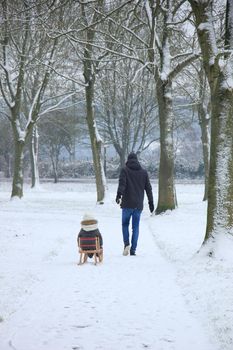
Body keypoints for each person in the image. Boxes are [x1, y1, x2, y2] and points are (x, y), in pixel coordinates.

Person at [116, 152, 154, 256]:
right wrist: (151, 203)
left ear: (128, 160)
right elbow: (148, 189)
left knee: (125, 224)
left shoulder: (125, 170)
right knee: (135, 227)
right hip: (138, 205)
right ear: (137, 160)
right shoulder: (144, 172)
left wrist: (119, 195)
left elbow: (122, 184)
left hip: (127, 204)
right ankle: (133, 250)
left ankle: (126, 244)